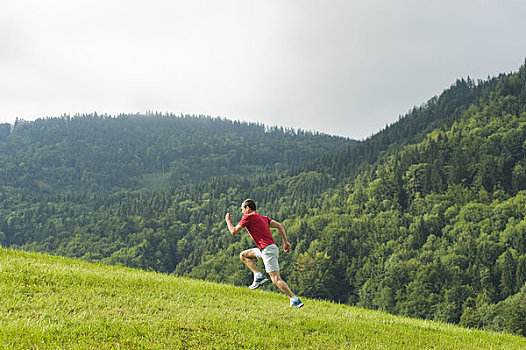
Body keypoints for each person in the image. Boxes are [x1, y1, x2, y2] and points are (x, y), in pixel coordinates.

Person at [225, 199, 304, 308]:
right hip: (267, 249)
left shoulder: (248, 217)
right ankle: (258, 276)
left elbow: (233, 231)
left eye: (242, 209)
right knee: (243, 255)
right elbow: (280, 225)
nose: (242, 212)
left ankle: (294, 299)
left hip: (267, 250)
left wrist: (228, 221)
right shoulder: (263, 218)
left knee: (276, 279)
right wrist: (285, 242)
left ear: (248, 208)